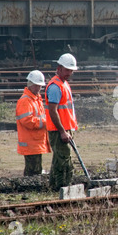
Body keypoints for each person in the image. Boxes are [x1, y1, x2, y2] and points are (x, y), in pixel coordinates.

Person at [45, 53, 79, 191]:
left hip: (64, 129)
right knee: (64, 161)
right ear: (59, 68)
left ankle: (53, 187)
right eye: (67, 70)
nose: (69, 73)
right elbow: (53, 111)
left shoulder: (63, 84)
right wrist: (62, 131)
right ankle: (63, 188)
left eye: (71, 71)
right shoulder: (55, 87)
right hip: (59, 130)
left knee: (58, 159)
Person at [15, 70, 51, 176]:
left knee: (36, 169)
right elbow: (28, 121)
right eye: (37, 86)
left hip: (36, 141)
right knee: (33, 171)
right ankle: (29, 189)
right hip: (31, 142)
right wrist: (46, 122)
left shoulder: (35, 99)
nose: (39, 88)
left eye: (40, 86)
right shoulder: (25, 101)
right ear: (30, 84)